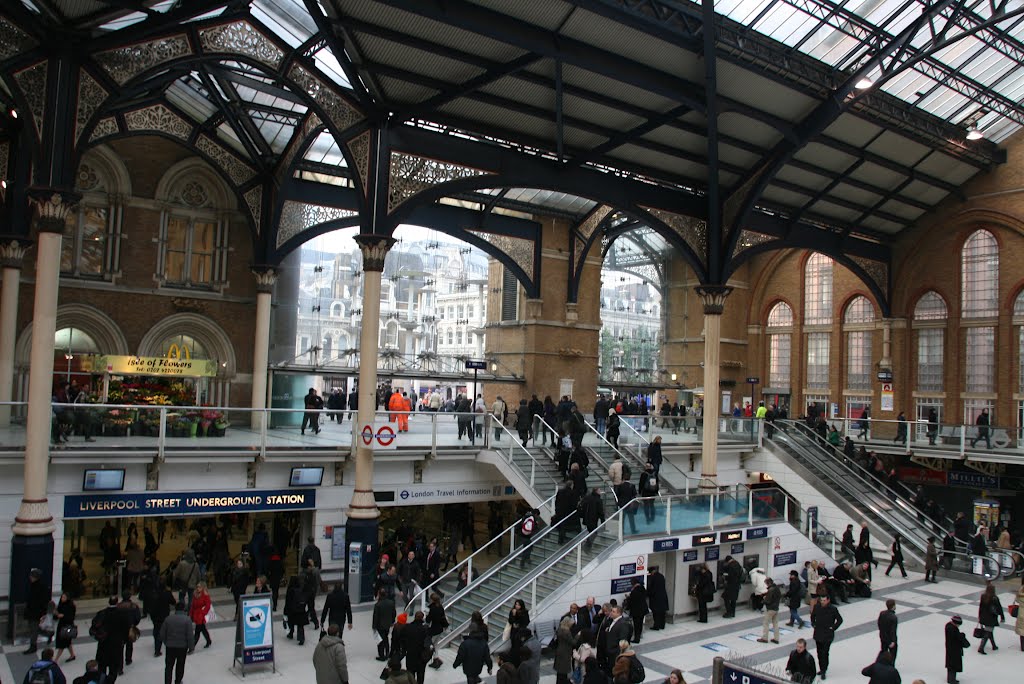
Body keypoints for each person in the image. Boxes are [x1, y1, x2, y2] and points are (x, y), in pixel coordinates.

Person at [158, 602, 191, 684]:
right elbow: (189, 635)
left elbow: (162, 634)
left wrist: (166, 642)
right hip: (182, 647)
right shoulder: (187, 620)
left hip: (170, 647)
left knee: (169, 667)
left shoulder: (168, 619)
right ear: (184, 609)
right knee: (180, 665)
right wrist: (191, 647)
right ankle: (178, 681)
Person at [812, 594, 843, 680]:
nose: (822, 602)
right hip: (818, 633)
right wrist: (813, 623)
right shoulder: (817, 607)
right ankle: (821, 668)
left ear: (828, 600)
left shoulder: (833, 609)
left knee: (825, 653)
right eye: (821, 600)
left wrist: (833, 628)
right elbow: (813, 616)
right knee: (819, 652)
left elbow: (840, 620)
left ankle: (824, 670)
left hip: (827, 635)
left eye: (824, 600)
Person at [24, 568, 50, 654]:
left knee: (34, 629)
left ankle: (33, 646)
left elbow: (43, 601)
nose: (30, 577)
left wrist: (43, 612)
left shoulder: (40, 587)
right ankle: (48, 633)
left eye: (32, 576)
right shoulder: (34, 585)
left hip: (36, 611)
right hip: (32, 610)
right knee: (32, 627)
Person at [401, 611, 429, 684]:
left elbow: (403, 640)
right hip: (421, 656)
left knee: (410, 674)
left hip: (410, 655)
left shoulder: (407, 627)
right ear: (422, 618)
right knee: (420, 675)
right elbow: (427, 643)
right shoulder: (424, 629)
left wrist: (404, 650)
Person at [150, 580, 176, 658]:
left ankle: (157, 647)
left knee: (156, 630)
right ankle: (159, 648)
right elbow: (173, 602)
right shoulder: (167, 594)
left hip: (154, 615)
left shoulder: (153, 594)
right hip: (164, 615)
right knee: (161, 631)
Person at [977, 583, 1004, 653]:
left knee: (989, 631)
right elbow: (999, 608)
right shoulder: (994, 598)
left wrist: (979, 617)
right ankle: (981, 647)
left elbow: (980, 607)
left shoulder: (983, 596)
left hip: (983, 617)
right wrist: (1002, 617)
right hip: (991, 618)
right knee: (988, 632)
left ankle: (994, 645)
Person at [372, 588, 395, 662]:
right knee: (386, 638)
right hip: (387, 624)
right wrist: (392, 621)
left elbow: (375, 616)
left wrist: (374, 626)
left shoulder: (378, 605)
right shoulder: (391, 603)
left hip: (380, 625)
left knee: (380, 640)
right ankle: (387, 653)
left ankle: (381, 655)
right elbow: (394, 613)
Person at [945, 615, 969, 684]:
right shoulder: (953, 629)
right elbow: (958, 638)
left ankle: (950, 678)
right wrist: (962, 635)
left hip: (949, 649)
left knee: (950, 665)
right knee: (953, 665)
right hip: (954, 650)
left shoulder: (948, 625)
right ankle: (952, 680)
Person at [53, 593, 77, 664]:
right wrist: (57, 615)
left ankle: (56, 659)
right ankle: (72, 655)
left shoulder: (70, 606)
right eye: (62, 597)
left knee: (63, 642)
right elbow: (56, 616)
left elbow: (71, 617)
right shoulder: (61, 605)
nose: (62, 599)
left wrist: (63, 616)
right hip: (62, 626)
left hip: (67, 626)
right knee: (67, 641)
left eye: (64, 597)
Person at [426, 593, 449, 668]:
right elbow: (443, 617)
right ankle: (436, 659)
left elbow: (428, 619)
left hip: (433, 629)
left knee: (431, 644)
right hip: (440, 629)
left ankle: (435, 659)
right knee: (435, 644)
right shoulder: (440, 607)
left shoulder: (432, 609)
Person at [285, 576, 310, 645]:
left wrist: (286, 611)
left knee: (291, 622)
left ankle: (291, 633)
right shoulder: (301, 589)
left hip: (292, 610)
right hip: (301, 609)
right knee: (300, 625)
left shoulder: (290, 590)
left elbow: (288, 601)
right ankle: (301, 638)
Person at [187, 583, 211, 652]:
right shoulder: (195, 595)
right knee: (203, 629)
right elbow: (192, 606)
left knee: (197, 632)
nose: (198, 588)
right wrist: (190, 615)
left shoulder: (205, 595)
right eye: (197, 587)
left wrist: (203, 613)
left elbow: (208, 605)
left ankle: (192, 647)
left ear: (203, 588)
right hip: (196, 615)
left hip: (200, 616)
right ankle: (209, 641)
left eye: (199, 587)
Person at [757, 578, 781, 644]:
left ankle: (765, 638)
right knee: (775, 624)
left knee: (766, 623)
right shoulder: (776, 588)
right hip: (776, 608)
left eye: (766, 584)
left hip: (770, 609)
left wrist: (763, 599)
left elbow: (768, 600)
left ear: (768, 583)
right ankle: (776, 639)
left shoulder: (771, 590)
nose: (766, 585)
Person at [553, 616, 574, 684]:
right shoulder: (567, 632)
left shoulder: (559, 629)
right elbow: (573, 642)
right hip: (565, 653)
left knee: (559, 672)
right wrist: (578, 636)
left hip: (559, 651)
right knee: (564, 671)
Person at [647, 566, 669, 630]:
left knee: (656, 613)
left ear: (652, 571)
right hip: (663, 597)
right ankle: (662, 625)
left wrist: (647, 594)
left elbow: (652, 589)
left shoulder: (653, 578)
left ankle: (656, 626)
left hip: (656, 599)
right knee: (662, 613)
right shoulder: (661, 576)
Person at [877, 599, 898, 663]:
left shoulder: (882, 613)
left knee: (883, 651)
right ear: (893, 606)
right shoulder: (893, 617)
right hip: (890, 639)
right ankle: (891, 665)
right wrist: (893, 641)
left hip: (883, 636)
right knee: (893, 654)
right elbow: (893, 631)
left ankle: (881, 663)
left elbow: (879, 624)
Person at [1014, 576, 1024, 651]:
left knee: (1021, 630)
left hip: (1021, 612)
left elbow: (1017, 600)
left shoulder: (1021, 590)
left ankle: (1022, 646)